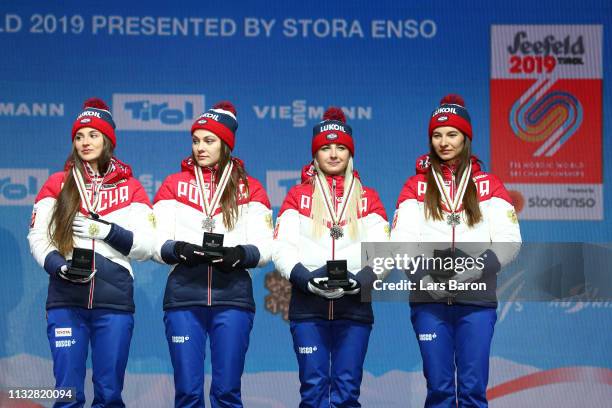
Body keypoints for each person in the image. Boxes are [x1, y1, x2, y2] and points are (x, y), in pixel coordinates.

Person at [391, 94, 522, 407]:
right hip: (428, 303)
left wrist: (476, 269)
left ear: (466, 137)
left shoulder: (489, 185)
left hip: (475, 300)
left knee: (473, 391)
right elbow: (401, 240)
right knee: (439, 390)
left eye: (452, 134)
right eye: (437, 135)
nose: (444, 142)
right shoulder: (416, 186)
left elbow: (509, 239)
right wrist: (424, 277)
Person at [28, 98, 155, 407]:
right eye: (79, 136)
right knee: (67, 395)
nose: (85, 142)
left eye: (93, 135)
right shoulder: (56, 184)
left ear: (108, 140)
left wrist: (108, 231)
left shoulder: (132, 188)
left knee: (109, 396)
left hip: (113, 304)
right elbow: (38, 237)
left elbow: (147, 246)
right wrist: (59, 267)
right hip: (66, 301)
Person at [153, 101, 273, 407]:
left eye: (209, 141)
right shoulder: (172, 185)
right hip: (184, 298)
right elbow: (155, 241)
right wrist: (178, 249)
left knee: (227, 393)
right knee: (188, 394)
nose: (200, 148)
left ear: (226, 144)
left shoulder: (251, 188)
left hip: (232, 298)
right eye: (196, 141)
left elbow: (265, 247)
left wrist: (239, 254)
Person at [272, 107, 389, 407]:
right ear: (315, 154)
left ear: (351, 154)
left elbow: (384, 251)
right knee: (312, 391)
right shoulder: (297, 196)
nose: (334, 154)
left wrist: (361, 280)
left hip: (354, 311)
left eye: (341, 148)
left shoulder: (368, 198)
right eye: (326, 148)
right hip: (308, 310)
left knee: (347, 392)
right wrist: (304, 278)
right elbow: (282, 248)